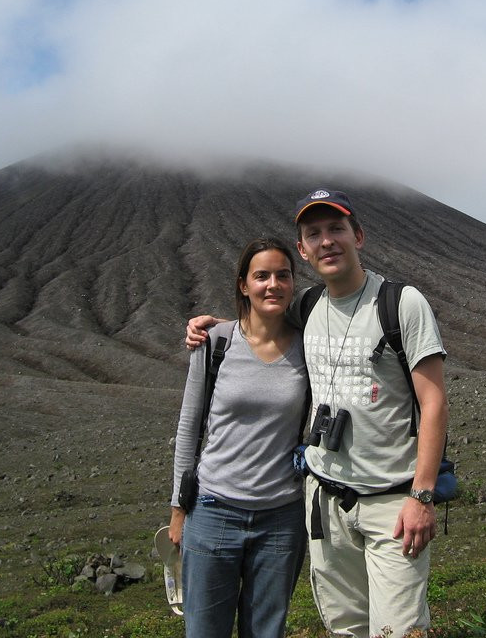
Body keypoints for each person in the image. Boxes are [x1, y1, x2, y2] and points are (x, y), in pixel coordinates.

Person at [187, 190, 449, 638]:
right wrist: (207, 326)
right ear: (305, 250)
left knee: (400, 630)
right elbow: (259, 319)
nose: (326, 241)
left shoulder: (401, 304)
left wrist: (422, 497)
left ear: (358, 236)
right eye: (314, 234)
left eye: (336, 229)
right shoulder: (306, 307)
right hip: (325, 503)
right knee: (345, 628)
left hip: (392, 503)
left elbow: (434, 403)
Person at [169, 237, 309, 638]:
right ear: (243, 285)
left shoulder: (309, 346)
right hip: (213, 511)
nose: (273, 284)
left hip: (281, 518)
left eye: (283, 275)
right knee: (204, 630)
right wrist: (179, 509)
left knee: (267, 631)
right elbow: (188, 427)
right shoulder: (215, 342)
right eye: (261, 275)